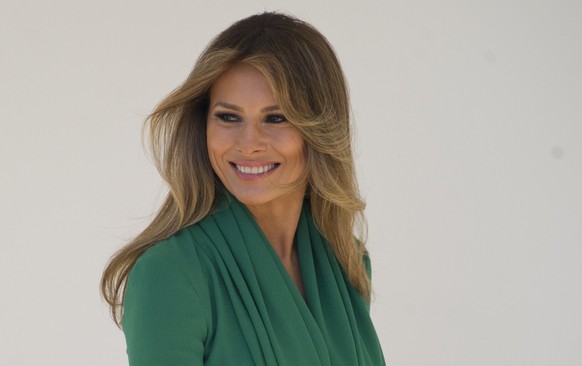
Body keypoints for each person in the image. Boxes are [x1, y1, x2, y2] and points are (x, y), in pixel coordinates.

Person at [101, 12, 386, 365]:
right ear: (202, 125)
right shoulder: (170, 273)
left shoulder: (346, 261)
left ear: (319, 130)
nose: (248, 144)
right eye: (228, 117)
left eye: (276, 118)